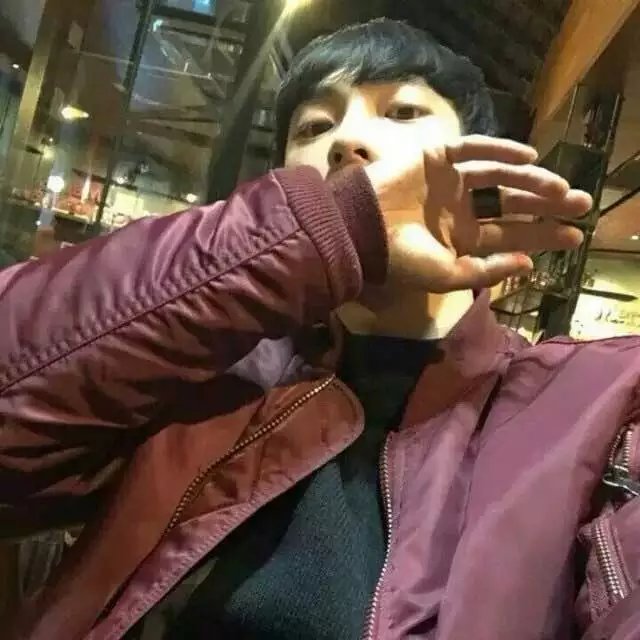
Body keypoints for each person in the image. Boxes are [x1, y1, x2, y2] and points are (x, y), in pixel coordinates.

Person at [2, 18, 640, 640]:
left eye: (403, 112)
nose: (347, 140)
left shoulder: (594, 404)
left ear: (480, 163)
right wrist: (314, 236)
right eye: (314, 126)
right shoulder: (205, 375)